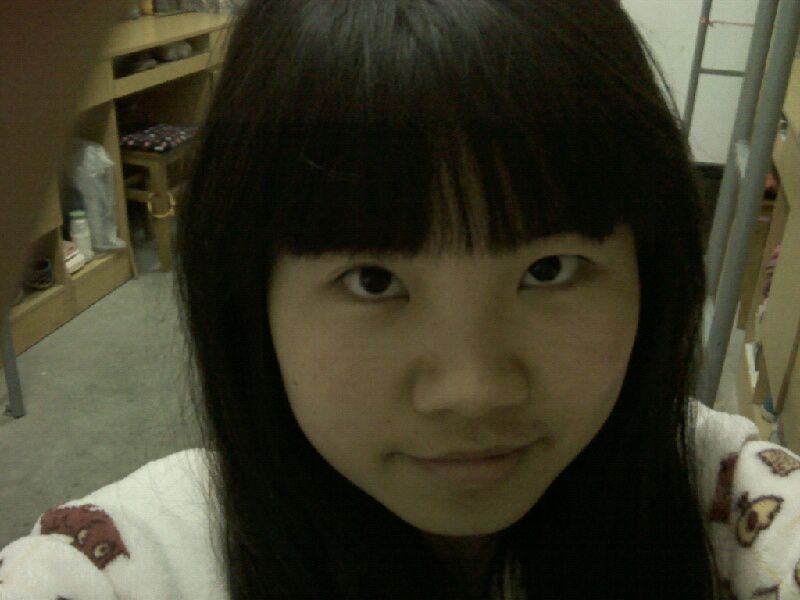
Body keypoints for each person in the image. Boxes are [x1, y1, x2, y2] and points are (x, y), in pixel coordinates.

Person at [2, 1, 799, 599]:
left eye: (551, 269)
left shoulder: (738, 508)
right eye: (374, 281)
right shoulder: (125, 563)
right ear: (249, 298)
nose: (472, 390)